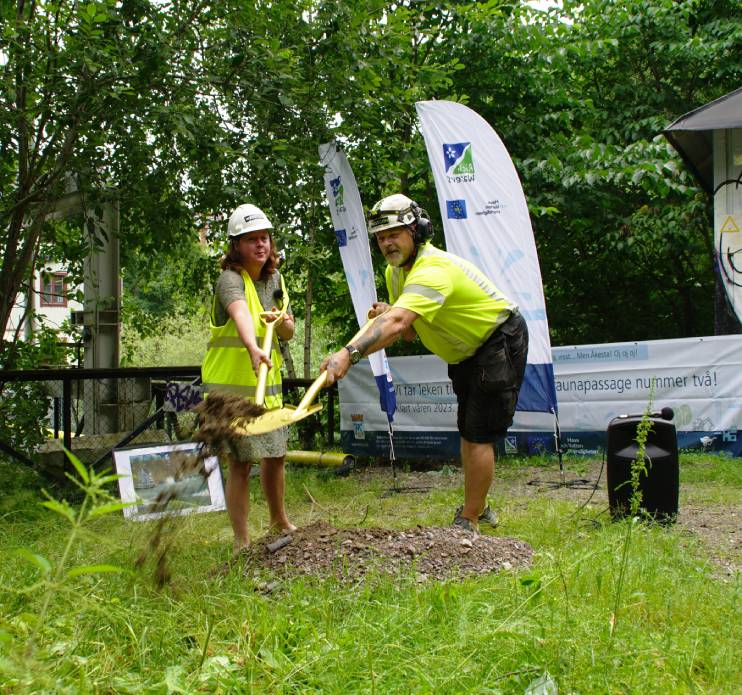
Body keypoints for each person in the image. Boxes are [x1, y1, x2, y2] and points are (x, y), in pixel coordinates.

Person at [321, 193, 528, 533]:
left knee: (479, 435)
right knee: (468, 428)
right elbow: (409, 332)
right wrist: (391, 314)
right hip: (465, 350)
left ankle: (469, 519)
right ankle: (480, 504)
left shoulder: (433, 268)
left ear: (416, 230)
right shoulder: (396, 273)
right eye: (381, 237)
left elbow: (400, 326)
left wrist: (349, 353)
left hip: (496, 339)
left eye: (395, 233)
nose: (387, 243)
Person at [201, 203, 296, 554]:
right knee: (240, 463)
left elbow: (288, 330)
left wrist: (283, 322)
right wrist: (251, 347)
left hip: (266, 390)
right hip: (230, 392)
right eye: (251, 239)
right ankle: (241, 540)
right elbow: (240, 311)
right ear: (236, 245)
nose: (261, 245)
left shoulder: (276, 280)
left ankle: (279, 521)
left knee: (275, 455)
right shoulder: (229, 280)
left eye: (265, 238)